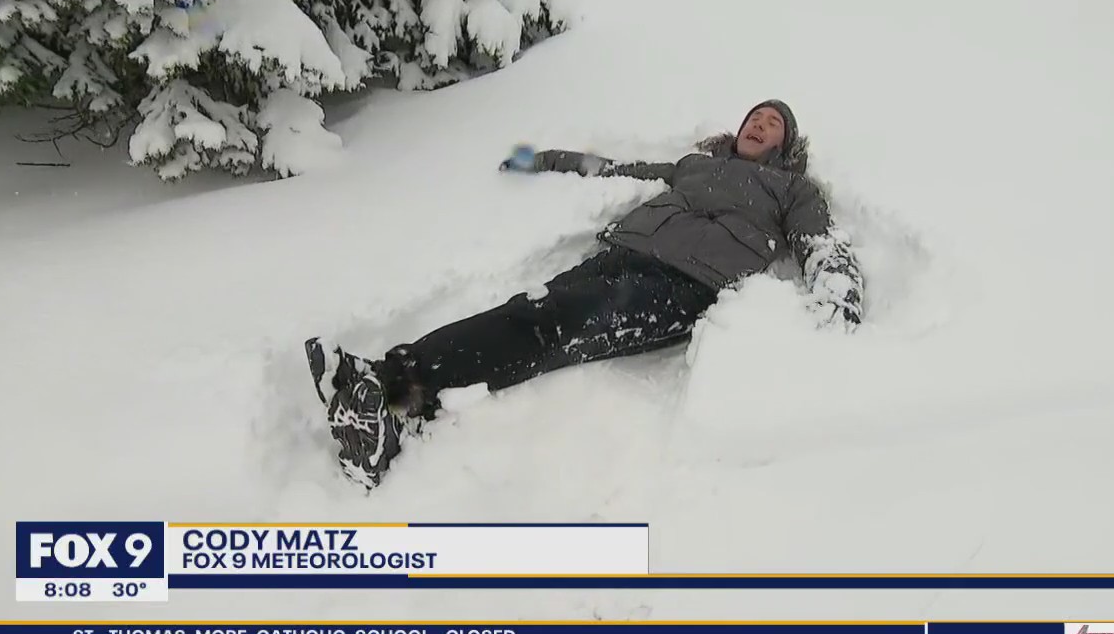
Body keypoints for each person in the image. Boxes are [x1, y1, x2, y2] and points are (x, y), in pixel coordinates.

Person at [305, 99, 864, 489]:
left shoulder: (793, 190)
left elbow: (822, 243)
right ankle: (383, 387)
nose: (759, 124)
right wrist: (543, 159)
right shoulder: (695, 165)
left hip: (683, 285)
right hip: (623, 254)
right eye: (754, 117)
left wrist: (839, 295)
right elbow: (619, 168)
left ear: (786, 144)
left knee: (552, 322)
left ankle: (398, 390)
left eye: (773, 123)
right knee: (529, 310)